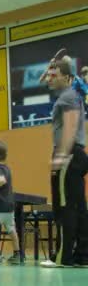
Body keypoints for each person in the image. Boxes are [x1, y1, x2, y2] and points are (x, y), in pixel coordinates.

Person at [41, 60, 88, 268]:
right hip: (76, 154)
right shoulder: (70, 95)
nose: (50, 78)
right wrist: (50, 71)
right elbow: (47, 82)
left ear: (68, 78)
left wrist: (60, 156)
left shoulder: (68, 97)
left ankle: (62, 257)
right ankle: (82, 256)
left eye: (55, 74)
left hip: (67, 153)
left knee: (64, 206)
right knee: (78, 206)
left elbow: (69, 125)